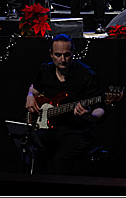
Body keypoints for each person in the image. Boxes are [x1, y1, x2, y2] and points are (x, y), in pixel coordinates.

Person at [25, 35, 105, 174]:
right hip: (50, 129)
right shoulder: (46, 70)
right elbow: (34, 88)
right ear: (51, 54)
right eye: (58, 55)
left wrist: (90, 116)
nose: (63, 60)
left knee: (61, 159)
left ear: (73, 53)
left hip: (76, 131)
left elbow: (101, 107)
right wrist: (30, 96)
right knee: (34, 150)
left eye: (67, 55)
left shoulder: (86, 74)